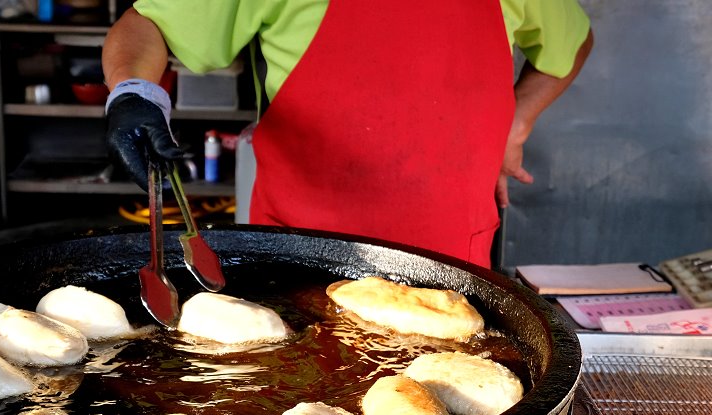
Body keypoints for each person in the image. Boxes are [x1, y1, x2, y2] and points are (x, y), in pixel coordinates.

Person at [102, 1, 593, 268]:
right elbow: (148, 23)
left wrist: (516, 124)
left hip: (450, 256)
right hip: (298, 253)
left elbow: (571, 44)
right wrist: (136, 91)